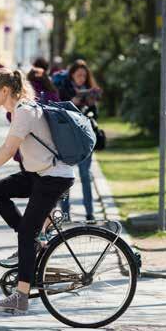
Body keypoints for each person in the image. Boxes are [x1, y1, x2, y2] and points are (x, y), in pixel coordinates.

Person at [0, 68, 74, 313]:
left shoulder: (24, 111)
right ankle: (32, 239)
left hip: (52, 177)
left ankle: (21, 295)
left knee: (25, 233)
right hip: (40, 174)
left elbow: (7, 150)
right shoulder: (21, 110)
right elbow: (9, 148)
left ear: (5, 91)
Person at [56, 59, 102, 221]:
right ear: (72, 75)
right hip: (67, 140)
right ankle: (65, 213)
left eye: (84, 75)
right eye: (79, 75)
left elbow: (95, 115)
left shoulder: (89, 90)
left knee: (85, 175)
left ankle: (90, 212)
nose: (82, 78)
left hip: (84, 139)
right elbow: (58, 113)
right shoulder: (63, 90)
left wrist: (90, 105)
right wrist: (72, 104)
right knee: (66, 177)